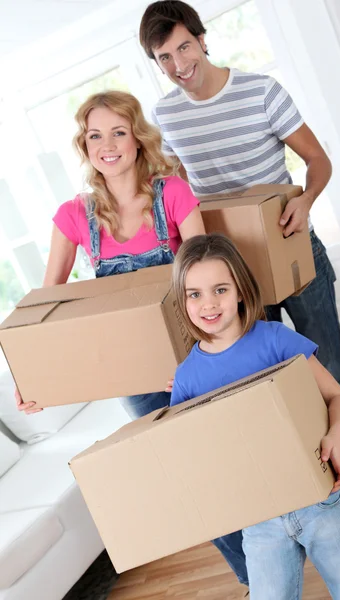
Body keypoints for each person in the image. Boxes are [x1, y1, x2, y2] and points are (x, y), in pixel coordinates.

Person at [139, 0, 340, 526]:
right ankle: (301, 482)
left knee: (332, 367)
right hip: (231, 273)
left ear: (203, 40)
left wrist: (304, 200)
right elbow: (180, 189)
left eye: (184, 47)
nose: (179, 64)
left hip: (290, 248)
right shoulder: (165, 116)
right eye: (164, 57)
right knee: (265, 379)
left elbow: (318, 160)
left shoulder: (260, 91)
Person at [170, 232, 340, 600]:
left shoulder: (276, 340)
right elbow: (192, 457)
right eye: (195, 294)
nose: (209, 304)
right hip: (258, 520)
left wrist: (336, 438)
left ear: (240, 289)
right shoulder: (187, 378)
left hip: (321, 500)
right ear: (182, 300)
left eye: (220, 289)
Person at [15, 90, 205, 417]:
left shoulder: (172, 193)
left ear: (138, 139)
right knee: (165, 457)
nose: (108, 146)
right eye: (95, 136)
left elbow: (207, 277)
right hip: (131, 370)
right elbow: (47, 305)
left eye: (118, 132)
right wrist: (32, 376)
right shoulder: (74, 214)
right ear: (86, 147)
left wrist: (207, 354)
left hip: (192, 352)